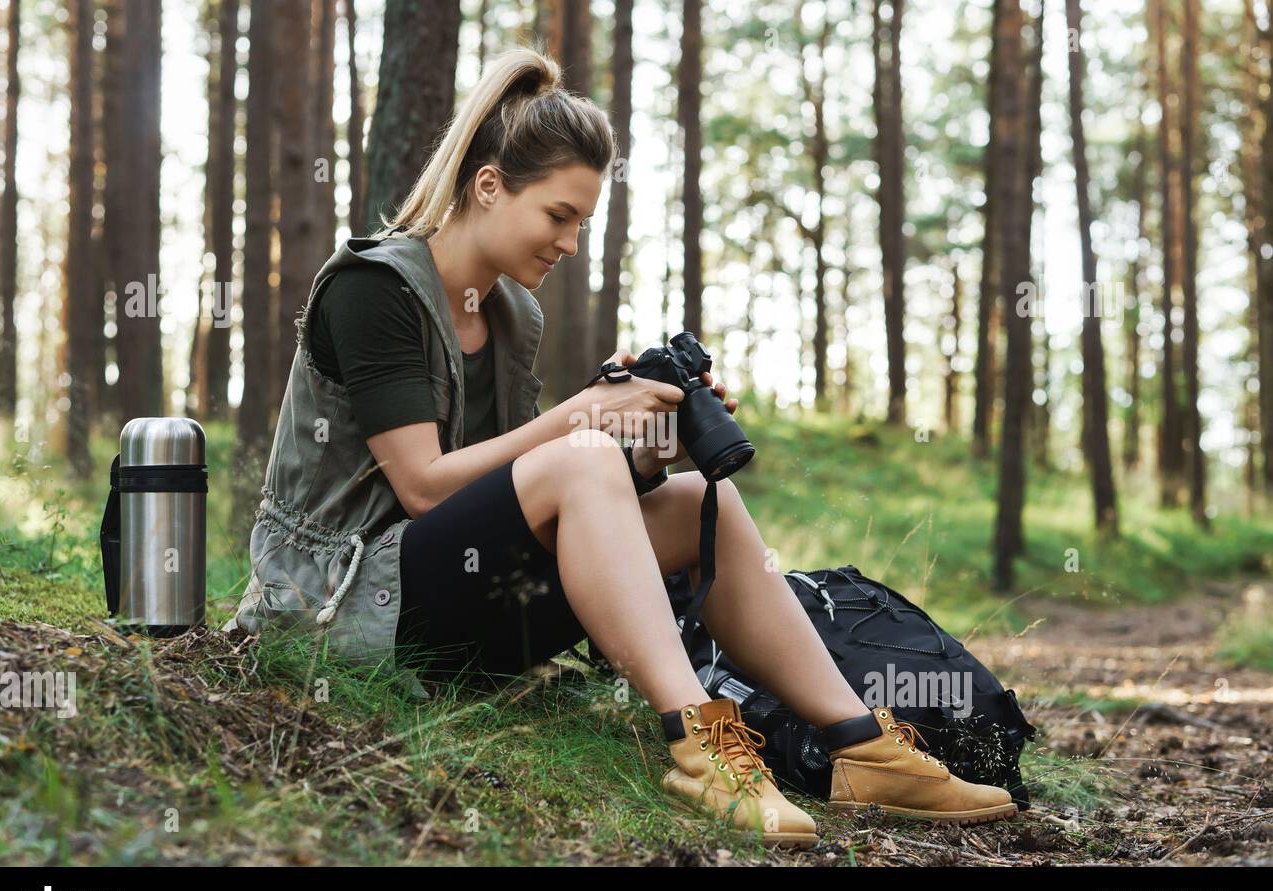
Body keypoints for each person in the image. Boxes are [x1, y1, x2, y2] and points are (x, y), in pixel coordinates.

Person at [226, 46, 1018, 848]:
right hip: (334, 604)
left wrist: (642, 448)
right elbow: (428, 488)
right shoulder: (375, 289)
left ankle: (860, 745)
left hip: (442, 602)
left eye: (582, 223)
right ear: (489, 186)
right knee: (582, 455)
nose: (569, 244)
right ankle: (704, 749)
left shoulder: (512, 315)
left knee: (697, 502)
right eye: (559, 216)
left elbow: (515, 488)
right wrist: (585, 417)